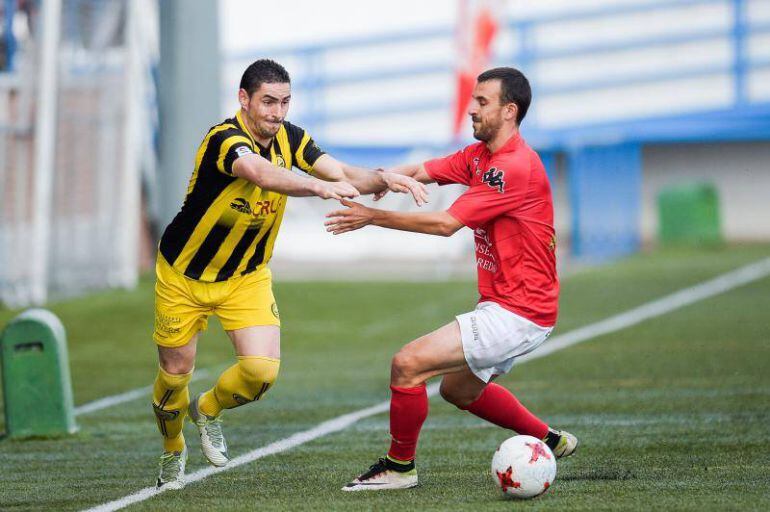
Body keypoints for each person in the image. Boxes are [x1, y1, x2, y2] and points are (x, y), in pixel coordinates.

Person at [151, 59, 427, 490]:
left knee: (261, 371)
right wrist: (318, 187)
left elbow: (337, 170)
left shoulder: (291, 137)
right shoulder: (225, 139)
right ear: (244, 99)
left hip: (246, 275)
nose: (277, 113)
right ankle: (172, 450)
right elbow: (261, 173)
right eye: (267, 102)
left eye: (284, 102)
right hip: (184, 274)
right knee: (174, 374)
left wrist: (382, 178)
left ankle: (207, 410)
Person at [325, 67, 577, 491]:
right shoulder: (481, 156)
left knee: (407, 364)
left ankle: (399, 467)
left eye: (482, 102)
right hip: (512, 306)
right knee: (458, 391)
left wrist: (372, 216)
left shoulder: (512, 166)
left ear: (509, 111)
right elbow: (425, 169)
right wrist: (387, 178)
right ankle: (549, 438)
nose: (471, 108)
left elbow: (445, 225)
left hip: (519, 311)